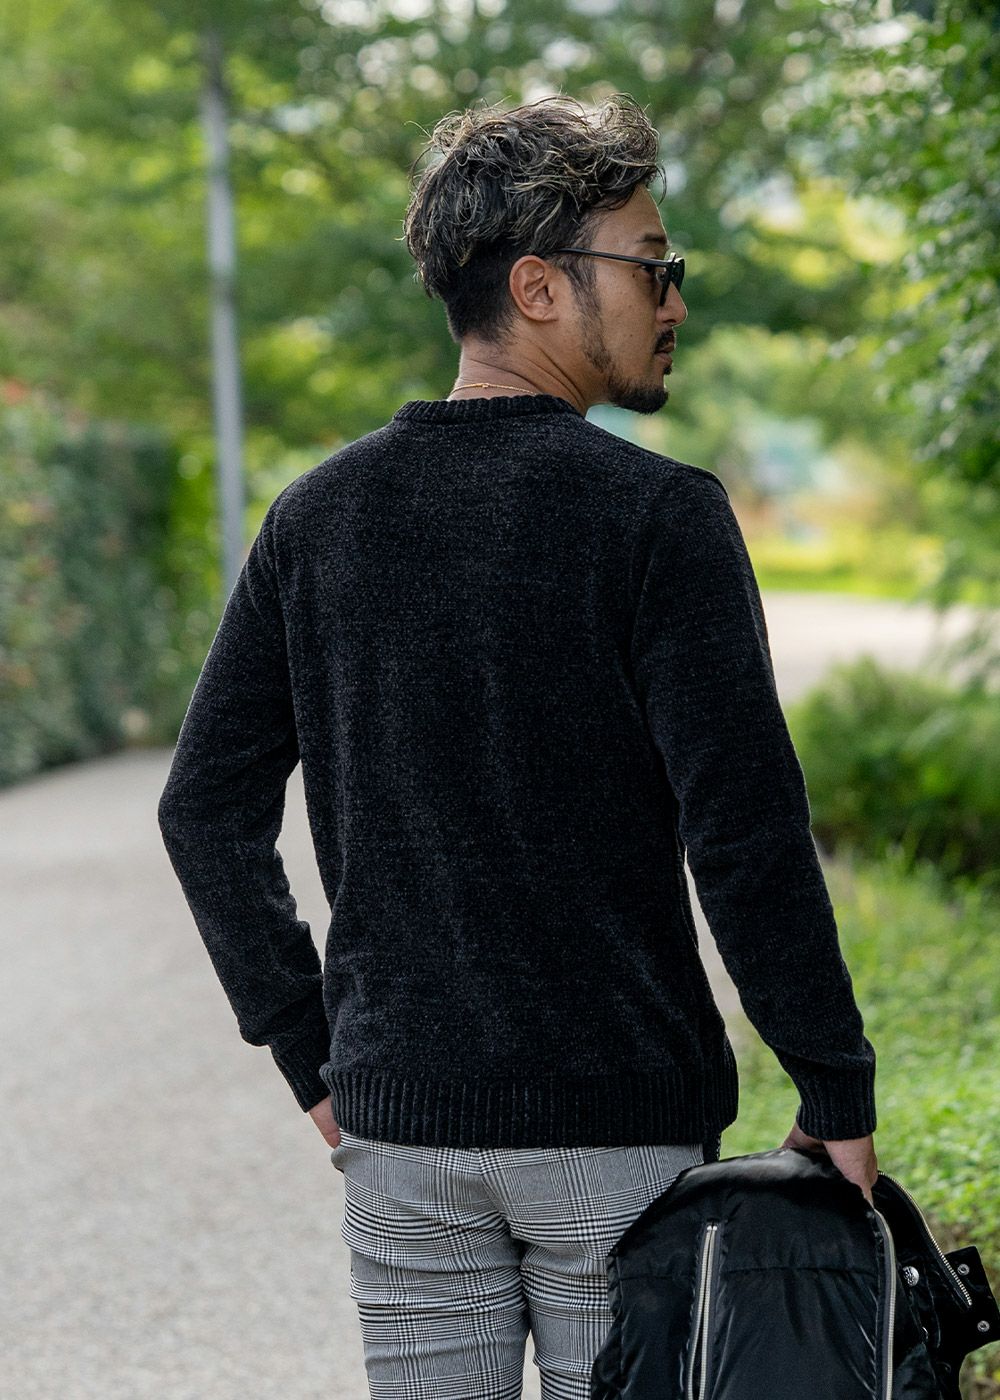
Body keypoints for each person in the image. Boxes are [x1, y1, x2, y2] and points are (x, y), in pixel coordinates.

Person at [157, 93, 878, 1400]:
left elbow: (204, 809)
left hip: (400, 1135)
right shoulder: (659, 518)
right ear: (540, 287)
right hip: (620, 1134)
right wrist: (834, 1089)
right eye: (651, 265)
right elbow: (746, 834)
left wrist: (311, 1051)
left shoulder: (315, 519)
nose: (674, 298)